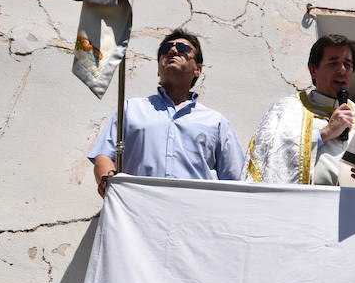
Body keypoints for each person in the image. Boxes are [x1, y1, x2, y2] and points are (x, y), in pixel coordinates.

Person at [89, 30, 244, 197]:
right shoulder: (130, 110)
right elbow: (104, 156)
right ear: (158, 70)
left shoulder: (215, 122)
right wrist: (108, 180)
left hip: (197, 216)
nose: (172, 51)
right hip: (139, 213)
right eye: (166, 48)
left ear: (198, 69)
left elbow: (234, 179)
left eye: (183, 48)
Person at [243, 34, 355, 187]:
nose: (342, 70)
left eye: (348, 64)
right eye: (333, 63)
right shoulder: (288, 109)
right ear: (313, 70)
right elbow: (273, 156)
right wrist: (326, 133)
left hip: (353, 207)